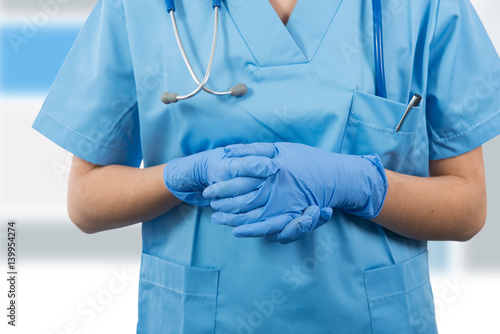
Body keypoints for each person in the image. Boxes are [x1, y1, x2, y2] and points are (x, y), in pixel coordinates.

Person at [32, 0, 500, 332]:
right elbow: (86, 201)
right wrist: (182, 176)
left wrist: (354, 183)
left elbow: (467, 207)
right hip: (199, 319)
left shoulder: (424, 8)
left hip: (374, 320)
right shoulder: (140, 8)